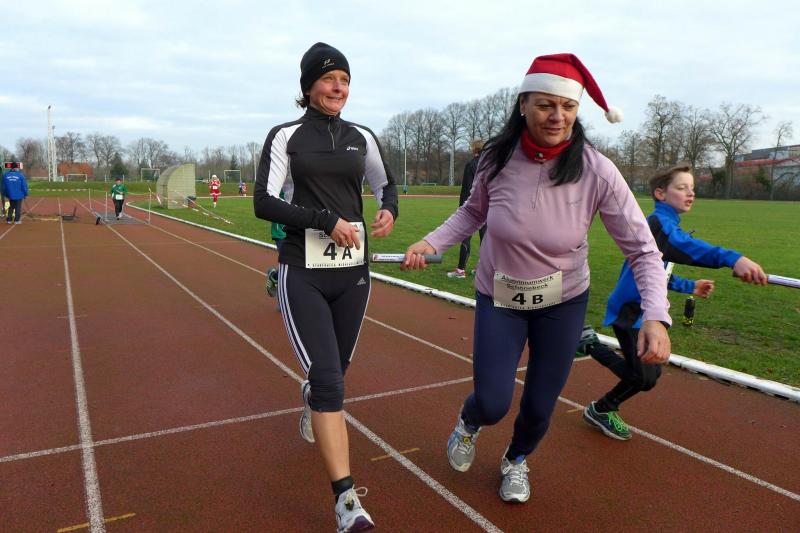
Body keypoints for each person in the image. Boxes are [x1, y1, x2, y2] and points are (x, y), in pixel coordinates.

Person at [402, 53, 671, 503]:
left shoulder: (597, 170)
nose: (557, 116)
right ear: (523, 104)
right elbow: (473, 211)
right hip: (500, 296)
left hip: (562, 302)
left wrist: (656, 316)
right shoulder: (496, 158)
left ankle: (516, 459)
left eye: (568, 106)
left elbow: (643, 249)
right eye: (546, 104)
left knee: (540, 405)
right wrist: (432, 242)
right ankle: (469, 423)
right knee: (492, 401)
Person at [253, 42, 398, 532]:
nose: (339, 88)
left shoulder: (362, 137)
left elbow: (386, 185)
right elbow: (263, 202)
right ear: (308, 85)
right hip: (304, 271)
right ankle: (346, 501)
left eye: (345, 80)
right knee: (331, 382)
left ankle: (313, 396)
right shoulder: (286, 136)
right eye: (329, 78)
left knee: (336, 374)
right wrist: (323, 220)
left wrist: (388, 209)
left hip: (353, 273)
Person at [577, 163, 768, 440]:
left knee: (650, 374)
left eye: (692, 188)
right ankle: (593, 360)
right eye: (682, 188)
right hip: (630, 309)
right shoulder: (658, 224)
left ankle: (601, 401)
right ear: (660, 193)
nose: (691, 193)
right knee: (643, 378)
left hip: (645, 313)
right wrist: (733, 259)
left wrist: (691, 286)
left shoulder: (668, 227)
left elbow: (661, 276)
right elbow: (687, 248)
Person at [447, 139, 487, 279]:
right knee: (485, 240)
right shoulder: (489, 164)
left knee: (465, 238)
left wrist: (462, 208)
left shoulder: (471, 164)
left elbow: (467, 188)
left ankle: (460, 271)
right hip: (488, 208)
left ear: (474, 149)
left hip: (473, 209)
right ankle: (481, 269)